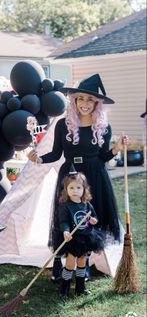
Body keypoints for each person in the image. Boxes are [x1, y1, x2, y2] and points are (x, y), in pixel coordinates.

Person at [27, 73, 128, 281]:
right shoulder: (64, 124)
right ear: (74, 100)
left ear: (96, 103)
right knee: (65, 217)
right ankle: (59, 263)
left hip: (95, 176)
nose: (84, 103)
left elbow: (102, 158)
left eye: (90, 99)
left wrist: (116, 149)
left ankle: (85, 265)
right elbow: (56, 154)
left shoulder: (103, 127)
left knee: (89, 221)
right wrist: (38, 159)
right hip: (70, 176)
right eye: (80, 98)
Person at [58, 167, 104, 299]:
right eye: (71, 188)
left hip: (86, 238)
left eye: (78, 188)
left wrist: (94, 220)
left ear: (84, 189)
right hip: (72, 239)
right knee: (70, 263)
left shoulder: (86, 204)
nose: (75, 191)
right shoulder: (65, 206)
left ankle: (80, 287)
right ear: (66, 189)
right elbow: (64, 222)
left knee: (82, 262)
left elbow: (94, 218)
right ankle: (64, 289)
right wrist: (66, 231)